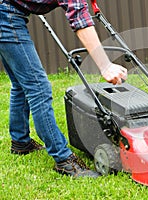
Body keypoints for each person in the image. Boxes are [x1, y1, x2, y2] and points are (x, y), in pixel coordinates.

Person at [0, 0, 127, 178]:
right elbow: (79, 18)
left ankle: (21, 142)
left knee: (21, 84)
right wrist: (105, 65)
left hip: (8, 12)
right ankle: (64, 160)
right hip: (6, 15)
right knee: (39, 88)